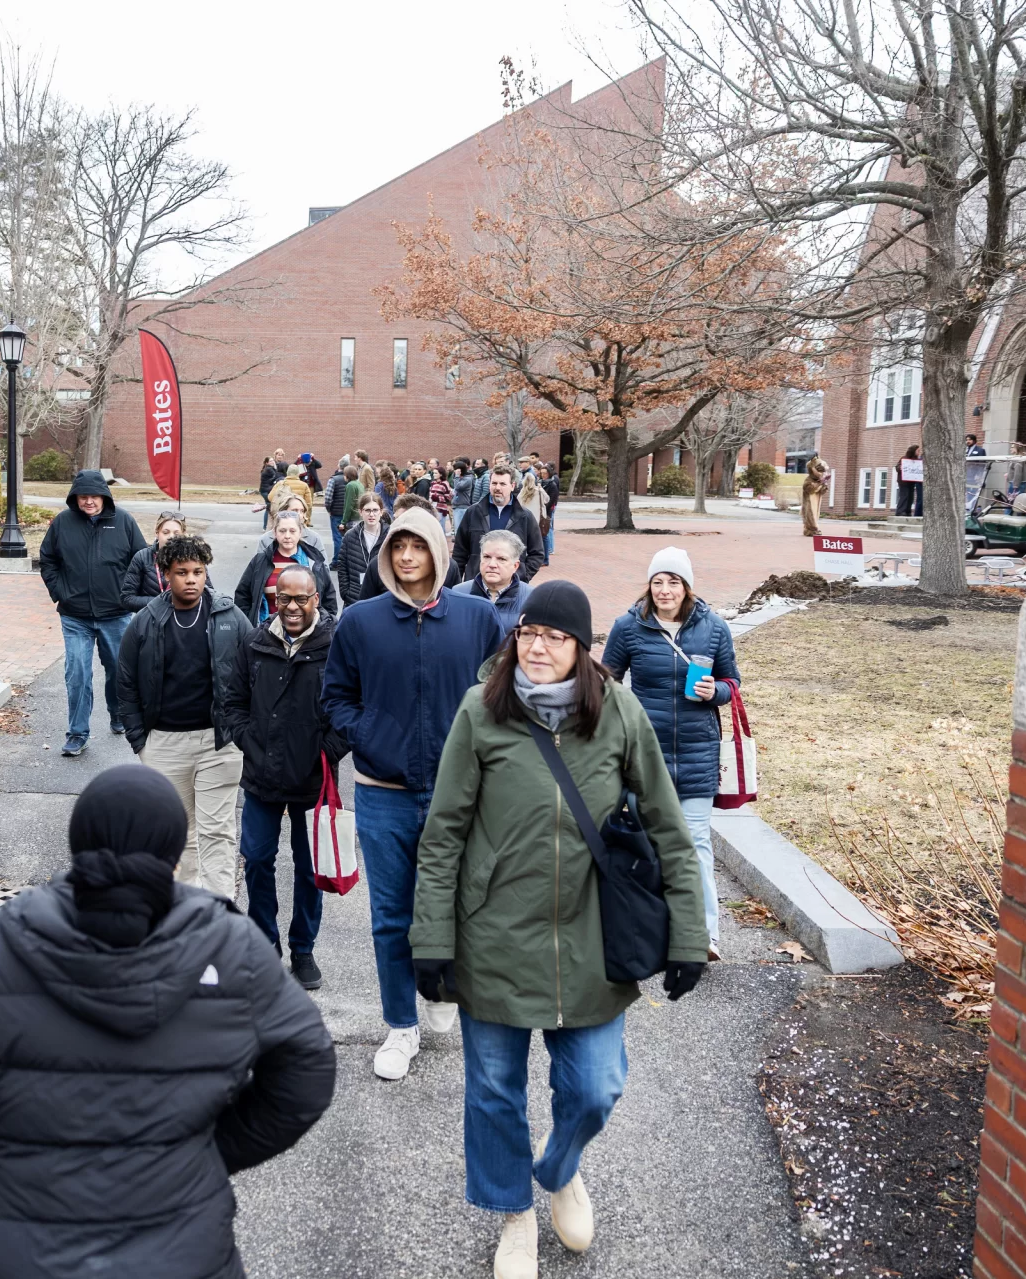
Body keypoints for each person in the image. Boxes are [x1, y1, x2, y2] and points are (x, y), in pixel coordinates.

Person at [0, 765, 336, 1279]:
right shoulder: (232, 945)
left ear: (77, 842)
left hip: (23, 1255)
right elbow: (308, 1065)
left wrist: (4, 1156)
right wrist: (210, 1151)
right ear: (175, 847)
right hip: (187, 1254)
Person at [410, 581, 706, 1279]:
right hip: (493, 936)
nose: (537, 647)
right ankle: (513, 1212)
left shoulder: (618, 714)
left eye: (555, 636)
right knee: (491, 1089)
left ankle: (559, 1166)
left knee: (595, 1086)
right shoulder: (481, 712)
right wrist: (431, 938)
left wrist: (688, 935)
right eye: (528, 633)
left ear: (582, 648)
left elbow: (668, 825)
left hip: (590, 936)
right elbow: (443, 830)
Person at [322, 508, 504, 1082]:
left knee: (458, 905)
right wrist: (370, 735)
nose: (406, 556)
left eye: (417, 546)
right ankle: (400, 1025)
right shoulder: (360, 621)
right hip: (383, 793)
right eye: (397, 545)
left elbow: (506, 695)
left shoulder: (477, 619)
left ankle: (442, 990)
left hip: (459, 795)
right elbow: (335, 697)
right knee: (391, 915)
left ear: (438, 553)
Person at [603, 547, 739, 961]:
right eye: (658, 582)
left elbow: (732, 681)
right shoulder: (629, 626)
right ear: (649, 586)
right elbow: (607, 681)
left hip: (697, 752)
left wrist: (714, 691)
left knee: (696, 843)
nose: (664, 590)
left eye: (673, 582)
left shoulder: (713, 628)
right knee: (649, 845)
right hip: (647, 755)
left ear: (687, 586)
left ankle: (703, 935)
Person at [224, 564, 347, 991]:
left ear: (316, 599)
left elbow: (352, 708)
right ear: (274, 600)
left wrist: (326, 754)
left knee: (310, 868)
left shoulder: (335, 646)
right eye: (283, 599)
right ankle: (263, 944)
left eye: (300, 598)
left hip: (312, 779)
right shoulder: (255, 641)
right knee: (256, 858)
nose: (291, 607)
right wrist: (247, 739)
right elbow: (232, 700)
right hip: (262, 774)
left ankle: (303, 949)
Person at [117, 534, 252, 899]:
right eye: (182, 572)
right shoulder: (146, 621)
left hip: (218, 744)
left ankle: (220, 911)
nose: (191, 579)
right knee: (179, 833)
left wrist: (242, 732)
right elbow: (125, 680)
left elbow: (254, 672)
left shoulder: (228, 615)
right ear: (166, 574)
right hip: (164, 743)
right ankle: (185, 912)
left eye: (198, 571)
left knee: (218, 831)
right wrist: (139, 741)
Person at [40, 470, 148, 757]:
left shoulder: (123, 521)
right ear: (75, 498)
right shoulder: (63, 522)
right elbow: (48, 560)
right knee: (77, 673)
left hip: (116, 614)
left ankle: (116, 713)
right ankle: (77, 733)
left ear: (105, 497)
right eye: (83, 496)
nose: (88, 501)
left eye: (94, 496)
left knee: (117, 670)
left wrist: (130, 596)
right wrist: (59, 592)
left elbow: (142, 560)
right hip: (75, 616)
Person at [235, 510, 340, 624]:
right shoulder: (260, 561)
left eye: (292, 531)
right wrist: (249, 626)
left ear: (300, 532)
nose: (287, 536)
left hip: (307, 634)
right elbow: (242, 596)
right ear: (275, 533)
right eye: (282, 531)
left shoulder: (314, 563)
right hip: (266, 631)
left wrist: (323, 626)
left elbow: (329, 600)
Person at [452, 465, 546, 586]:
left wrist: (523, 575)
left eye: (502, 484)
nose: (497, 488)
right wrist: (457, 582)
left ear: (512, 486)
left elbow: (537, 553)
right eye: (494, 483)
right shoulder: (473, 512)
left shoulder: (525, 516)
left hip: (511, 587)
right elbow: (460, 552)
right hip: (477, 584)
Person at [451, 530, 533, 634]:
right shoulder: (458, 593)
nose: (492, 564)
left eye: (501, 559)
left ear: (515, 566)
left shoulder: (532, 598)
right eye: (487, 557)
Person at [125, 511, 196, 611]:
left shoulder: (194, 558)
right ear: (157, 533)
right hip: (151, 622)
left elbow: (207, 595)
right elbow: (127, 599)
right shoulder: (142, 557)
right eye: (165, 532)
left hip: (184, 621)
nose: (171, 537)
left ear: (183, 535)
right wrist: (161, 602)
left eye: (176, 533)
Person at [334, 489, 389, 606]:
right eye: (367, 510)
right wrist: (346, 593)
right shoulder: (350, 536)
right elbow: (342, 566)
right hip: (354, 598)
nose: (371, 514)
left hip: (382, 598)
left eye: (375, 510)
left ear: (381, 512)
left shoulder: (390, 536)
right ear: (360, 512)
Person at [800, 458, 830, 536]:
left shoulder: (818, 479)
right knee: (810, 513)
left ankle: (812, 529)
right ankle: (811, 529)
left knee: (815, 514)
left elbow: (822, 491)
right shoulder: (809, 480)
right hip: (809, 501)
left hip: (816, 500)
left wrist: (824, 485)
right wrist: (819, 484)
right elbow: (809, 489)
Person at [896, 445, 925, 517]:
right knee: (904, 496)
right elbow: (897, 468)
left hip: (911, 482)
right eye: (918, 451)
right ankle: (900, 511)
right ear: (913, 451)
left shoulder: (916, 460)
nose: (919, 452)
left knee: (910, 497)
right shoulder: (904, 458)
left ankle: (907, 511)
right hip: (903, 482)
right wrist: (900, 467)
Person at [323, 467, 349, 545]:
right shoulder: (353, 480)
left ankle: (337, 557)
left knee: (337, 537)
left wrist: (329, 509)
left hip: (336, 512)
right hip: (348, 513)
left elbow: (328, 498)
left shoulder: (333, 479)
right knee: (348, 537)